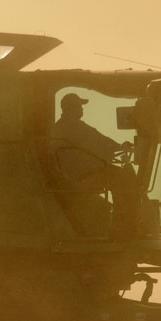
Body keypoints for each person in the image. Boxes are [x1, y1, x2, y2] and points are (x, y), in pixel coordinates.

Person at [51, 93, 138, 238]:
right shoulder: (74, 127)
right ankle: (123, 225)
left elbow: (98, 142)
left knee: (116, 178)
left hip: (71, 177)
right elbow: (101, 141)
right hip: (79, 178)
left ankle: (121, 224)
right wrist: (122, 147)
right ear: (70, 108)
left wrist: (116, 148)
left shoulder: (61, 127)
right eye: (79, 106)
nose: (82, 110)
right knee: (121, 176)